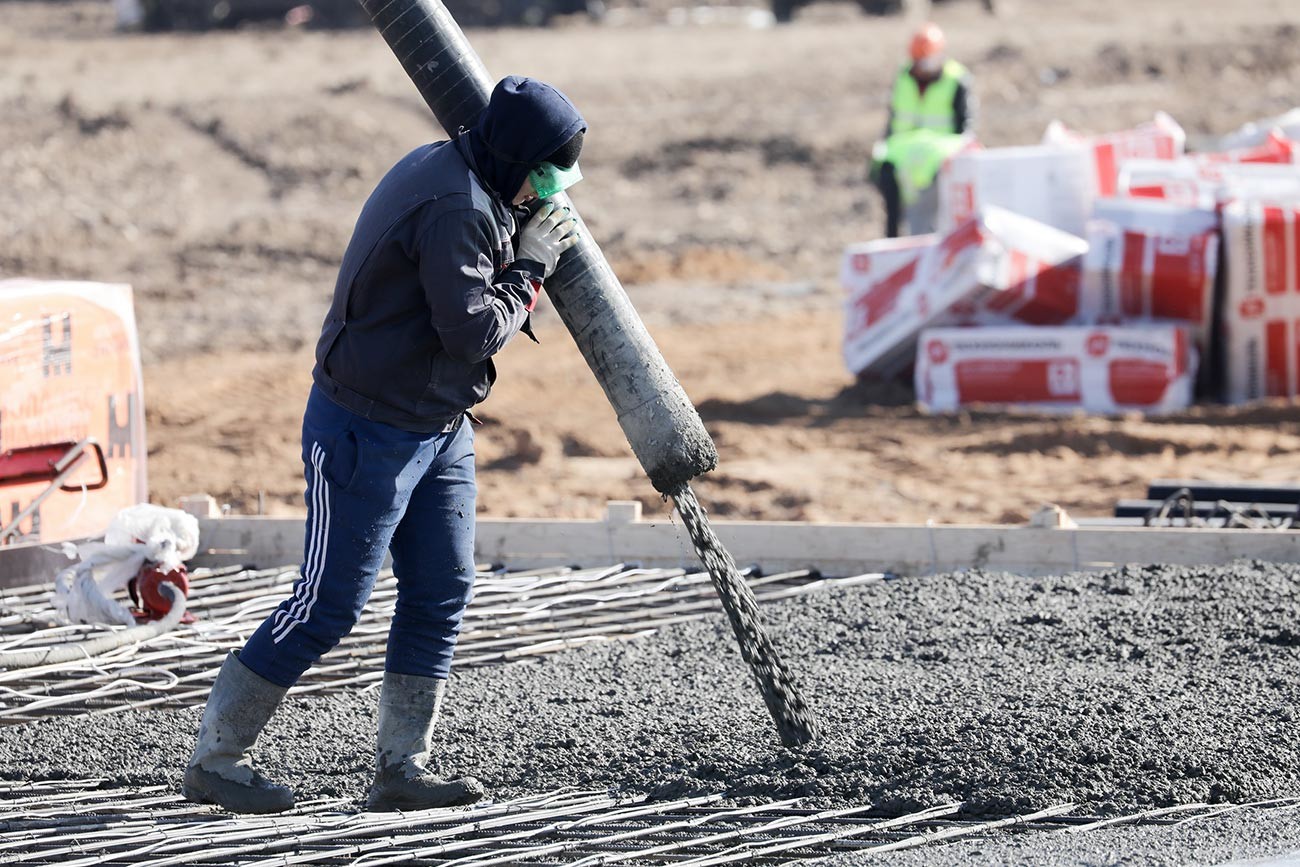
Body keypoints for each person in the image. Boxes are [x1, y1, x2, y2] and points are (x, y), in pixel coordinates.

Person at [181, 76, 587, 815]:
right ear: (515, 155)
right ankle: (215, 758)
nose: (551, 188)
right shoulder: (456, 208)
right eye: (546, 171)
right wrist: (529, 267)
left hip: (436, 424)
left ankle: (403, 766)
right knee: (327, 604)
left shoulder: (474, 177)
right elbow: (469, 334)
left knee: (441, 588)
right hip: (365, 428)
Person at [871, 22, 976, 238]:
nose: (923, 67)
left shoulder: (956, 80)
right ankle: (892, 242)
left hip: (938, 156)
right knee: (885, 178)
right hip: (902, 152)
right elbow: (893, 117)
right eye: (919, 61)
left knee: (931, 212)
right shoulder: (903, 76)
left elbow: (965, 128)